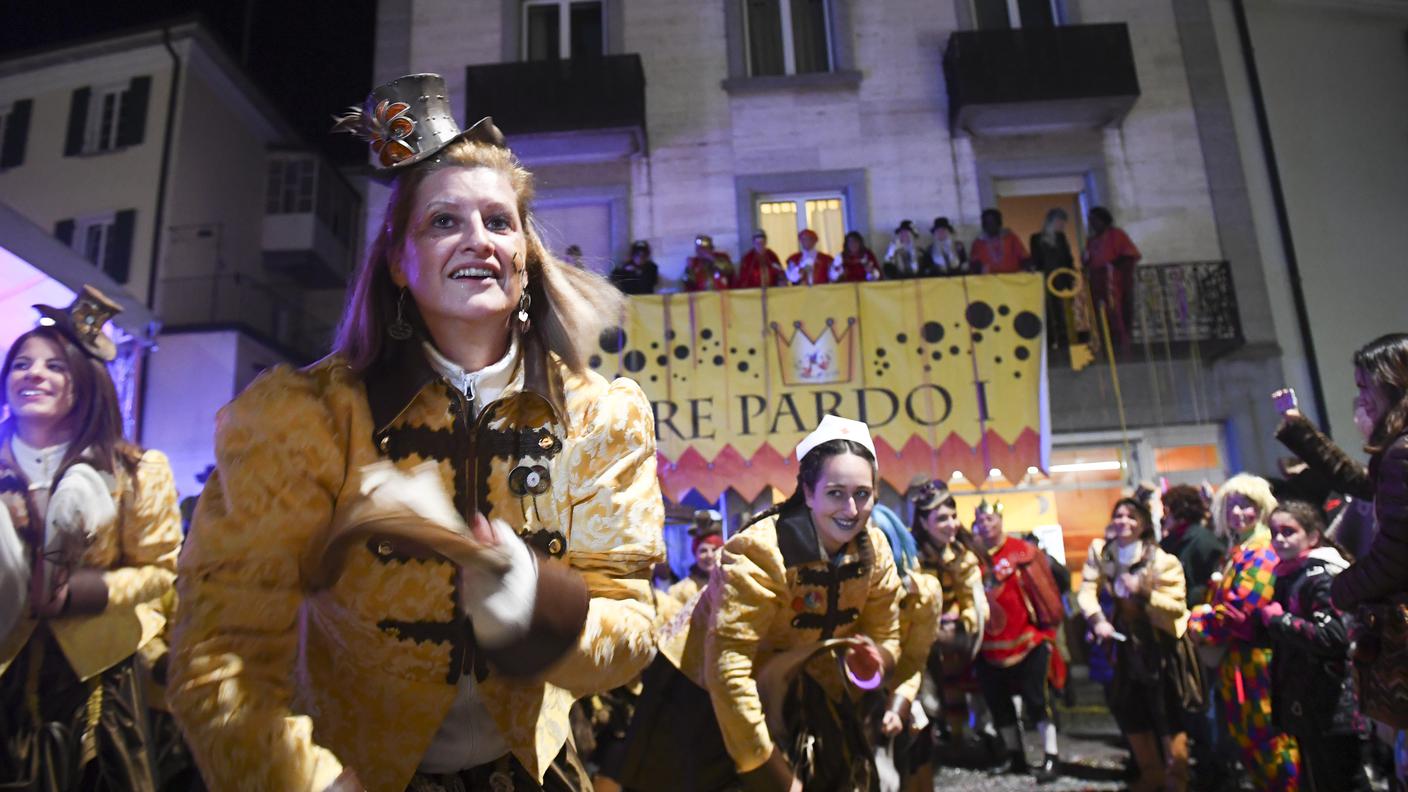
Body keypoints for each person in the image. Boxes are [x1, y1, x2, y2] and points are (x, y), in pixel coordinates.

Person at [169, 74, 665, 791]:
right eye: (443, 222)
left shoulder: (602, 415)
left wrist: (538, 614)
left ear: (525, 262)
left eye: (499, 222)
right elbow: (224, 648)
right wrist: (307, 782)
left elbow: (632, 627)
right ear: (399, 261)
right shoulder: (302, 419)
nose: (478, 240)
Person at [619, 415, 902, 791]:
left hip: (797, 682)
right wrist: (771, 772)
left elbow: (888, 634)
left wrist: (874, 660)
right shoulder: (760, 551)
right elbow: (728, 668)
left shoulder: (875, 550)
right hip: (701, 685)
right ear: (807, 491)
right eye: (836, 493)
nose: (851, 510)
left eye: (862, 494)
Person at [0, 286, 183, 790]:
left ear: (85, 382)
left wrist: (84, 592)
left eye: (55, 366)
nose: (33, 373)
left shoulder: (135, 471)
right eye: (21, 364)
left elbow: (161, 570)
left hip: (93, 686)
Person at [1079, 499, 1200, 792]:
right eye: (1118, 515)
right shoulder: (1103, 553)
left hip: (1160, 647)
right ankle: (1152, 776)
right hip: (1123, 647)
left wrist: (1143, 592)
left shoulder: (1163, 561)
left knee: (1167, 713)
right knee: (1130, 710)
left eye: (1131, 516)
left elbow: (1175, 606)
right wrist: (1097, 621)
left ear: (1144, 523)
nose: (1123, 521)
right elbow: (1086, 590)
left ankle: (1177, 780)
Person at [1189, 474, 1300, 790]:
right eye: (1231, 505)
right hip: (1241, 664)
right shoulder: (1241, 549)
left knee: (1270, 744)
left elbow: (1241, 612)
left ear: (1263, 506)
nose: (1238, 513)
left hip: (1258, 664)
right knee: (1255, 744)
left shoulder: (1262, 550)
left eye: (1246, 505)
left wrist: (1197, 622)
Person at [1260, 501, 1370, 792]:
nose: (1279, 539)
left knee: (1345, 781)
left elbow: (1334, 637)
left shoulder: (1322, 575)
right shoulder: (1290, 574)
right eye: (1274, 532)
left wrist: (1279, 620)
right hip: (1311, 705)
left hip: (1333, 705)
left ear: (1313, 536)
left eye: (1288, 531)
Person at [971, 499, 1062, 783]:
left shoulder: (1023, 552)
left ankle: (1051, 755)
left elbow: (1047, 593)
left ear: (1000, 520)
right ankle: (1014, 755)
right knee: (998, 704)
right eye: (980, 521)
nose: (986, 525)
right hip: (987, 647)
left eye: (990, 519)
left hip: (1027, 641)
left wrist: (1048, 633)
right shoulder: (970, 557)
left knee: (1037, 701)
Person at [909, 482, 989, 751]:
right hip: (919, 635)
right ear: (923, 521)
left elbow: (971, 599)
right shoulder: (910, 555)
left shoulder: (962, 555)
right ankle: (930, 737)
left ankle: (961, 736)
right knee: (924, 690)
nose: (951, 524)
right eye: (942, 518)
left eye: (953, 516)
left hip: (955, 637)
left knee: (960, 686)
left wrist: (964, 619)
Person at [1158, 483, 1226, 787]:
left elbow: (1211, 585)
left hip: (1198, 629)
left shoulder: (1200, 540)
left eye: (1167, 510)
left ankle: (1215, 765)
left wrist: (1182, 596)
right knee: (1195, 696)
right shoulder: (1178, 539)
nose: (1164, 516)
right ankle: (1204, 761)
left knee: (1204, 696)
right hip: (1184, 629)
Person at [872, 503, 940, 792]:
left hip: (897, 696)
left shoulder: (921, 593)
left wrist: (898, 705)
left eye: (881, 542)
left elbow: (913, 659)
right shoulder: (840, 591)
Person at [1083, 207, 1141, 349]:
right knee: (1101, 313)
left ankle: (1121, 342)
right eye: (1091, 221)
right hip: (1097, 282)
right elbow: (1088, 259)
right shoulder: (1091, 241)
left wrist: (1112, 265)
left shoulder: (1117, 235)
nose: (1093, 224)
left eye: (1095, 220)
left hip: (1114, 280)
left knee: (1116, 311)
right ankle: (1105, 341)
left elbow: (1128, 255)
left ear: (1104, 220)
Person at [1028, 209, 1075, 349]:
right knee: (1048, 310)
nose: (1062, 225)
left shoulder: (1061, 238)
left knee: (1063, 310)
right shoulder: (1036, 238)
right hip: (1045, 278)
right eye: (1060, 222)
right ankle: (1049, 340)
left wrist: (1071, 275)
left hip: (1062, 278)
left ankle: (1064, 338)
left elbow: (1068, 258)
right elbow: (1036, 259)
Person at [667, 513, 723, 605]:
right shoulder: (680, 591)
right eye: (703, 551)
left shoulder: (730, 584)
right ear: (695, 554)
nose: (709, 555)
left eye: (714, 550)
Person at [969, 209, 1030, 275]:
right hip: (988, 281)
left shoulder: (1011, 238)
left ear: (999, 223)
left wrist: (1028, 266)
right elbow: (974, 263)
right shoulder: (978, 243)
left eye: (993, 222)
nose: (990, 226)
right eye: (987, 223)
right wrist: (978, 268)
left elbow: (1023, 256)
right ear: (984, 225)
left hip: (1013, 278)